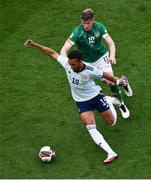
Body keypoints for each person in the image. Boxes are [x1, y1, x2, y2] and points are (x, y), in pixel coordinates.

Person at [24, 39, 129, 164]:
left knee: (111, 122)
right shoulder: (67, 64)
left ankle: (114, 101)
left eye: (73, 64)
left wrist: (118, 82)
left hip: (96, 97)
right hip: (81, 102)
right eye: (70, 63)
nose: (71, 66)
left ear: (80, 62)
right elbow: (52, 53)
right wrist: (35, 45)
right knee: (90, 127)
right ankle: (111, 153)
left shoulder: (90, 70)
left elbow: (106, 75)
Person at [60, 8, 133, 105]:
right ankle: (123, 81)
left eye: (88, 23)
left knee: (110, 81)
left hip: (101, 57)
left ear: (93, 20)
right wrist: (66, 63)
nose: (86, 26)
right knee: (99, 82)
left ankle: (121, 104)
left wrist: (112, 55)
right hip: (86, 63)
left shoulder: (99, 27)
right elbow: (63, 49)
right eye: (84, 23)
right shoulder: (77, 32)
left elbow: (110, 43)